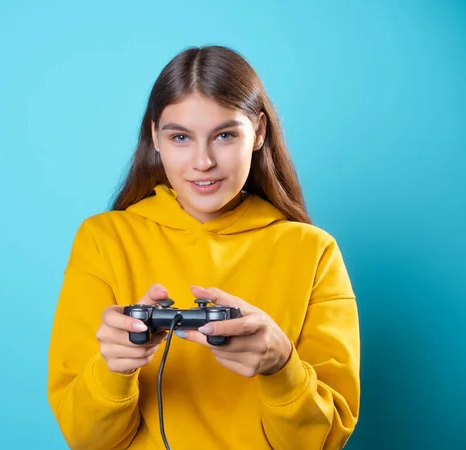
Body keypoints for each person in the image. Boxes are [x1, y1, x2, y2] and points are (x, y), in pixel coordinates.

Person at [47, 45, 360, 450]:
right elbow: (86, 440)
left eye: (225, 135)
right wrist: (113, 371)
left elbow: (325, 441)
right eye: (180, 137)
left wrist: (283, 368)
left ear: (259, 132)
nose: (203, 162)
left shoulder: (314, 252)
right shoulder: (104, 240)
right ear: (155, 137)